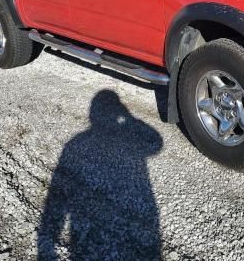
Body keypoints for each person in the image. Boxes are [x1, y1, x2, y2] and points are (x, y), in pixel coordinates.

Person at [38, 90, 163, 260]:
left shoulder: (75, 144)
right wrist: (131, 119)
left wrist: (47, 243)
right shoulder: (82, 143)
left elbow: (58, 194)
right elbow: (155, 144)